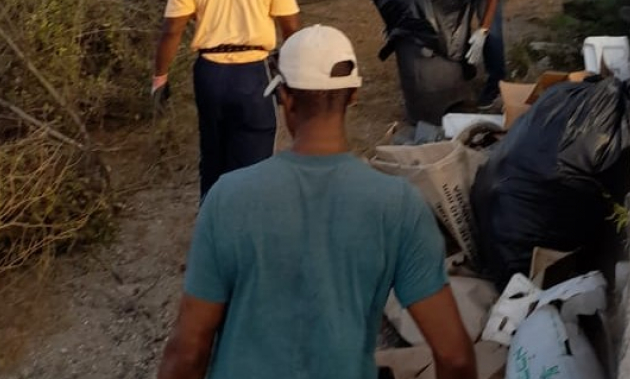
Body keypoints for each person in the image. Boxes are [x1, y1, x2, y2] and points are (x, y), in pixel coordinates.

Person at [155, 25, 477, 379]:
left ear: (285, 98)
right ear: (353, 95)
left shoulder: (228, 198)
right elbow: (456, 358)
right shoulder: (398, 205)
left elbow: (188, 351)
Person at [153, 0, 300, 198]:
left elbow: (170, 32)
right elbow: (292, 29)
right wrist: (291, 77)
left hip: (209, 75)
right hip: (254, 74)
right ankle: (247, 229)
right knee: (254, 161)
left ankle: (213, 221)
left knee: (213, 155)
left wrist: (160, 77)